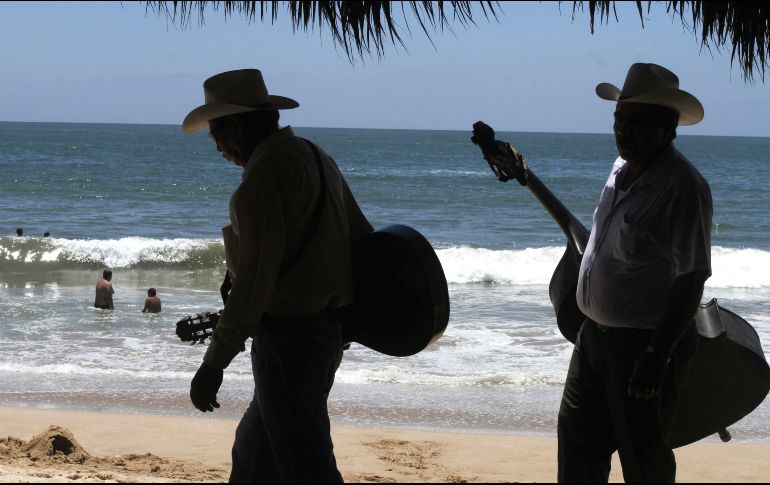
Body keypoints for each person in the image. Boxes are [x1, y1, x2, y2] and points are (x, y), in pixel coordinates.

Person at [183, 68, 373, 483]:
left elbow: (252, 286)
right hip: (326, 334)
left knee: (307, 468)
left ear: (234, 127)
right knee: (254, 456)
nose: (217, 148)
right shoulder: (315, 157)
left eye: (216, 134)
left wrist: (213, 364)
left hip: (288, 343)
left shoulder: (259, 185)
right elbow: (361, 238)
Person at [557, 63, 712, 483]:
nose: (623, 131)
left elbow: (692, 277)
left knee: (643, 461)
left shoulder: (684, 188)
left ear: (667, 129)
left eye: (637, 122)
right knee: (577, 448)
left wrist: (658, 356)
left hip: (643, 348)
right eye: (619, 120)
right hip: (592, 340)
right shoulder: (618, 169)